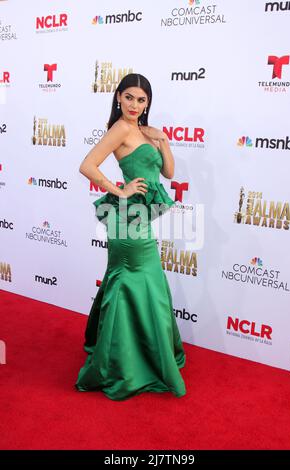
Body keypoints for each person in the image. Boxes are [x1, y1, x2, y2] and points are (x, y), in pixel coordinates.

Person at [75, 73, 186, 400]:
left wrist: (162, 140)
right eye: (129, 98)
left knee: (139, 280)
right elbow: (87, 165)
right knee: (136, 280)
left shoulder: (143, 131)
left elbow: (168, 173)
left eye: (141, 100)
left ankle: (135, 355)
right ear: (119, 98)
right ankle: (124, 363)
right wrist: (119, 190)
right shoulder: (121, 129)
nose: (135, 105)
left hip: (139, 219)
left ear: (147, 102)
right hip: (126, 221)